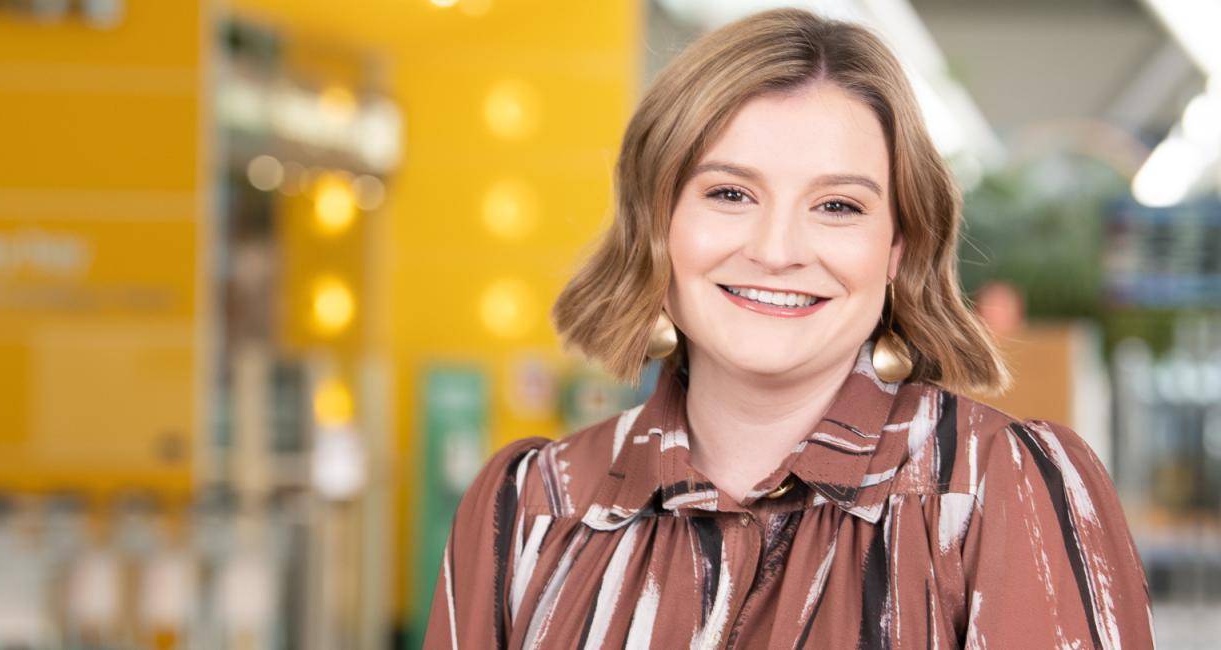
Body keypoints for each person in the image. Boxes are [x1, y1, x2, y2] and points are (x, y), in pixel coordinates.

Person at [424, 7, 1154, 648]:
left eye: (838, 206)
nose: (776, 251)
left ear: (899, 246)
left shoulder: (999, 495)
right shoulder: (532, 509)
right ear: (657, 223)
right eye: (730, 193)